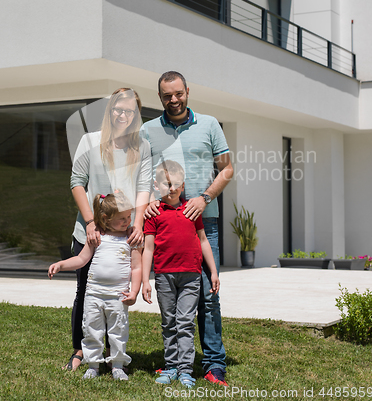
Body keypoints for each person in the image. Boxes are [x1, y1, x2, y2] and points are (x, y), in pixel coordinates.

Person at [141, 72, 233, 386]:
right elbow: (139, 174)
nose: (174, 100)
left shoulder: (209, 125)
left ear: (187, 91)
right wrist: (149, 201)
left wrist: (205, 197)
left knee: (208, 295)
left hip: (203, 222)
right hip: (164, 223)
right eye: (167, 96)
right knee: (169, 295)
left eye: (178, 93)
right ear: (160, 97)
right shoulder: (148, 130)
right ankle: (176, 362)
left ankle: (213, 363)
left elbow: (227, 168)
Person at [66, 88, 151, 371]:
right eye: (118, 109)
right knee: (84, 292)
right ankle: (81, 350)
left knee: (119, 294)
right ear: (110, 110)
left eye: (130, 111)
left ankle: (115, 354)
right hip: (90, 233)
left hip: (125, 235)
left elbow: (144, 187)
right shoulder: (90, 141)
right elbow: (77, 181)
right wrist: (90, 222)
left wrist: (137, 222)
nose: (123, 115)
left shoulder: (143, 146)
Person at [142, 160, 220, 389]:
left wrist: (213, 271)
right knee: (169, 322)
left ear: (183, 185)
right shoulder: (153, 214)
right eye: (167, 184)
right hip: (165, 276)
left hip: (191, 277)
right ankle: (171, 366)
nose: (172, 188)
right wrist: (145, 280)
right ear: (157, 186)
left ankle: (185, 370)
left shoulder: (191, 211)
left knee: (185, 322)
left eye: (176, 184)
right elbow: (148, 248)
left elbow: (203, 241)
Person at [48, 191, 141, 380]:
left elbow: (137, 268)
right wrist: (61, 264)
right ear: (106, 218)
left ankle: (117, 365)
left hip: (118, 295)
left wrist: (135, 291)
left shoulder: (131, 240)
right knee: (92, 329)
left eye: (129, 216)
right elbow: (81, 259)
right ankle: (93, 365)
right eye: (122, 218)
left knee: (118, 331)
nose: (127, 221)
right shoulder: (97, 237)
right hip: (94, 294)